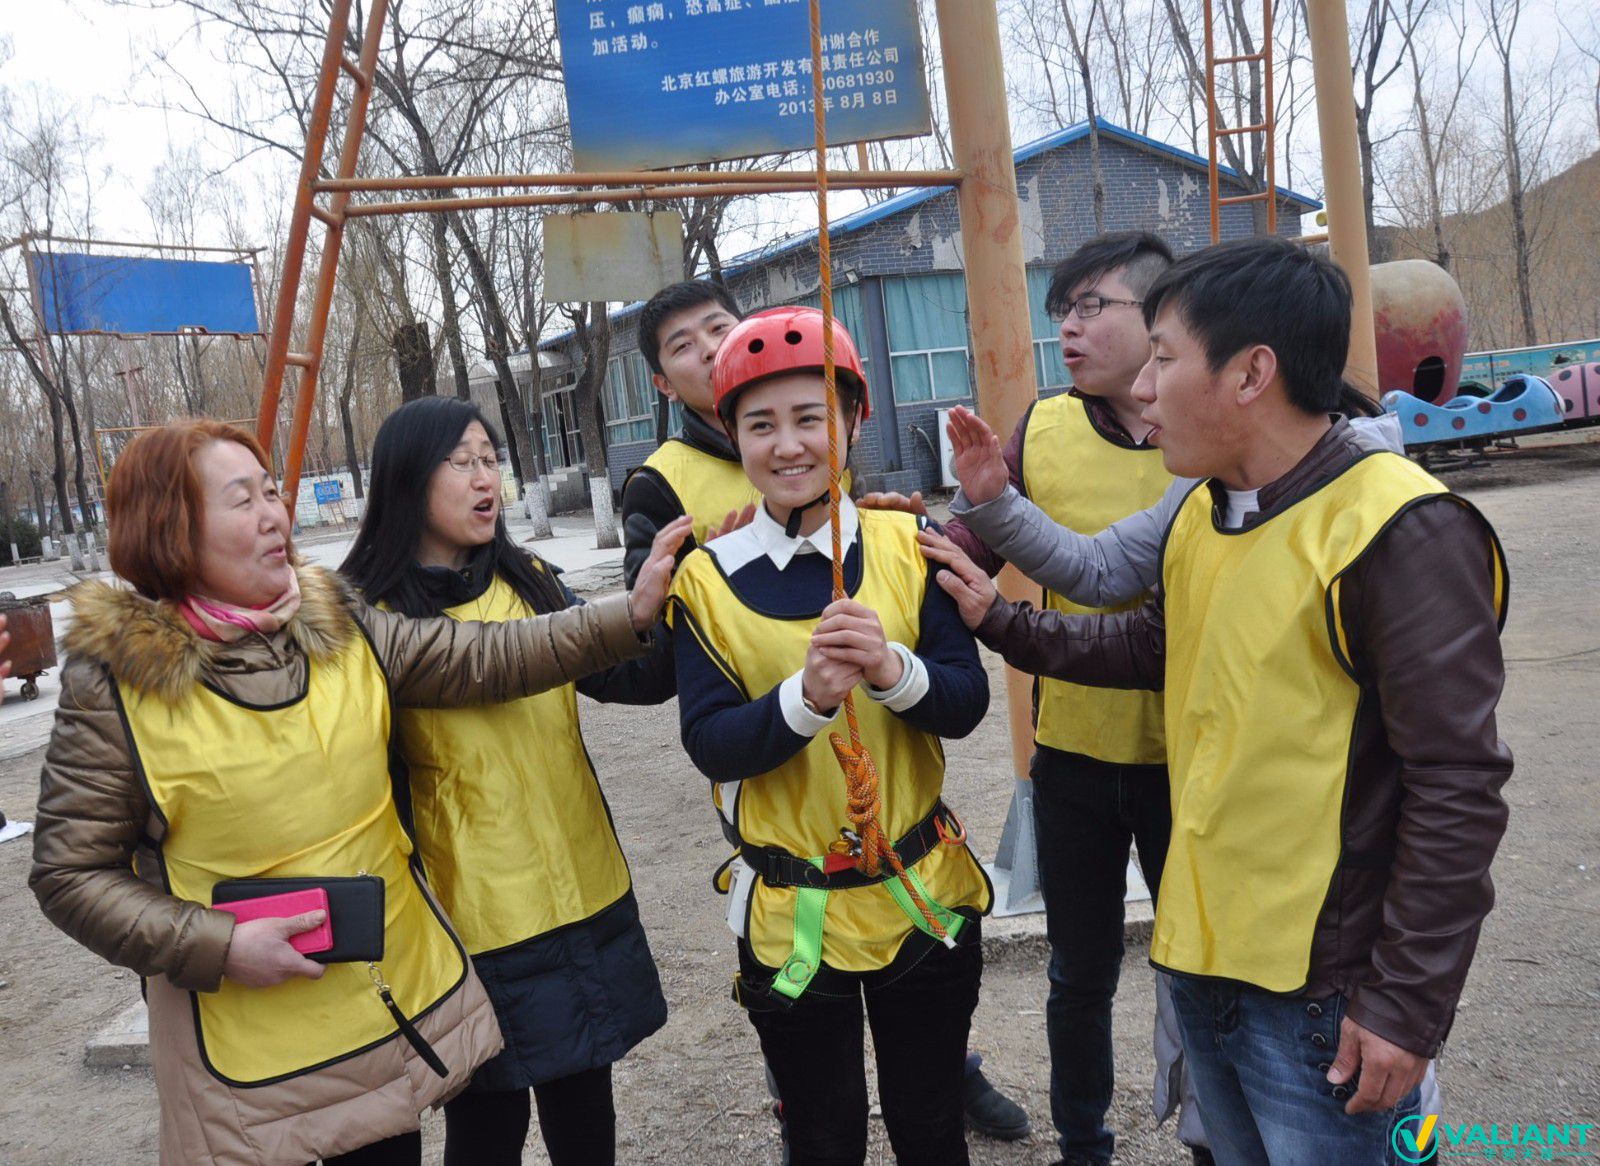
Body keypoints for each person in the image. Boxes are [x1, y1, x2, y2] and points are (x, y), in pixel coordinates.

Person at [922, 237, 1512, 1165]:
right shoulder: (1205, 509)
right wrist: (1000, 620)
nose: (1144, 388)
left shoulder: (1400, 529)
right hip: (1204, 957)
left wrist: (1404, 1005)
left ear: (1251, 374)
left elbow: (1458, 785)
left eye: (1162, 358)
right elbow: (1151, 645)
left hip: (1322, 991)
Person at [29, 419, 685, 1166]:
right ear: (169, 530)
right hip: (243, 1055)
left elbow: (484, 656)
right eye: (242, 501)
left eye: (271, 492)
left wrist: (627, 615)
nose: (274, 516)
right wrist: (219, 944)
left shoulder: (339, 624)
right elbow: (68, 874)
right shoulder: (114, 685)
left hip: (371, 1019)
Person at [624, 278, 1029, 1143]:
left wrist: (890, 668)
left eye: (811, 418)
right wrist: (805, 700)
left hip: (920, 895)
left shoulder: (908, 544)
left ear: (853, 420)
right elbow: (711, 742)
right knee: (822, 1133)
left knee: (930, 1125)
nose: (788, 445)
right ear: (732, 436)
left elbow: (963, 705)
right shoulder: (706, 579)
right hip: (792, 913)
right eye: (760, 426)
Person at [340, 398, 685, 1166]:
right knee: (488, 1126)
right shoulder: (371, 620)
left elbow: (635, 677)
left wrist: (682, 595)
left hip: (581, 887)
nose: (484, 479)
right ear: (407, 481)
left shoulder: (529, 580)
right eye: (460, 462)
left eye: (490, 459)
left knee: (585, 1110)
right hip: (473, 920)